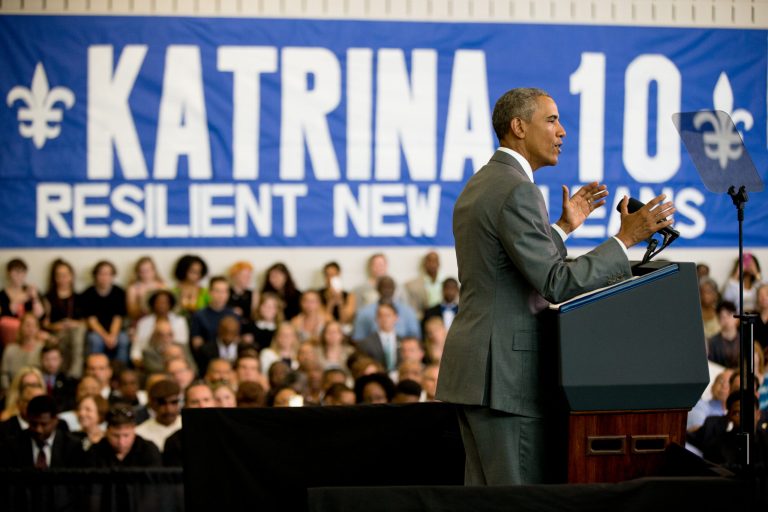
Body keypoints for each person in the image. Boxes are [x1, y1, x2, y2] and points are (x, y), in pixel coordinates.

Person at [435, 87, 675, 485]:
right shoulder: (518, 189)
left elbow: (505, 266)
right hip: (505, 377)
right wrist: (624, 241)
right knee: (518, 502)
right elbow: (555, 282)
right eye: (551, 120)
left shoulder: (483, 183)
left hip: (478, 370)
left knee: (482, 499)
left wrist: (563, 228)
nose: (562, 131)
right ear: (518, 127)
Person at [0, 395, 84, 469]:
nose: (38, 429)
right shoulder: (13, 446)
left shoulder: (72, 446)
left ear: (55, 420)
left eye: (44, 424)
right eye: (34, 424)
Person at [41, 258, 85, 378]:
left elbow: (85, 322)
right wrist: (57, 326)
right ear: (54, 278)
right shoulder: (48, 298)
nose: (63, 279)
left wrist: (73, 323)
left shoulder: (79, 298)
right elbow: (44, 324)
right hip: (56, 333)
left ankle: (75, 373)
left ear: (71, 276)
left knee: (78, 332)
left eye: (65, 275)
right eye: (59, 275)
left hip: (74, 333)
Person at [81, 260, 130, 364]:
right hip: (97, 331)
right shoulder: (88, 294)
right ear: (95, 276)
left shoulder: (119, 293)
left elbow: (118, 317)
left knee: (123, 339)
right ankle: (96, 367)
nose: (104, 277)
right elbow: (91, 320)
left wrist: (112, 335)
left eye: (108, 274)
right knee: (95, 340)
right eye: (101, 274)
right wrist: (105, 336)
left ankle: (119, 368)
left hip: (115, 330)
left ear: (113, 276)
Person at [86, 406, 162, 467]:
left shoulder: (148, 451)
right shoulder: (95, 452)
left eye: (126, 435)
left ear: (134, 430)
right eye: (115, 436)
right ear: (107, 431)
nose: (121, 442)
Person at [351, 276, 421, 342]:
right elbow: (358, 339)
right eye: (383, 288)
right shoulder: (364, 313)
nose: (387, 291)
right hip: (373, 351)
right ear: (377, 289)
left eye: (390, 288)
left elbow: (415, 337)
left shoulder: (408, 312)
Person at [163, 380, 216, 466]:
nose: (202, 406)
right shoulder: (174, 442)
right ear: (186, 406)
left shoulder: (229, 436)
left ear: (215, 403)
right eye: (195, 402)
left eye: (206, 400)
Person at [132, 289, 189, 367]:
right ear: (153, 303)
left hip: (175, 359)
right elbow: (138, 347)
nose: (162, 305)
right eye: (158, 302)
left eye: (165, 302)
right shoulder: (143, 323)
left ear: (170, 304)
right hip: (150, 359)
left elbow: (182, 344)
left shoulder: (179, 321)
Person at [0, 258, 44, 347]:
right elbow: (6, 314)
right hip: (11, 329)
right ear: (9, 273)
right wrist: (18, 300)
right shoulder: (2, 294)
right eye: (16, 272)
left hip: (31, 327)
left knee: (31, 326)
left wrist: (34, 298)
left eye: (22, 272)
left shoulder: (31, 290)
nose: (19, 275)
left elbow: (40, 315)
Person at [1, 313, 46, 389]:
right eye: (27, 325)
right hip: (13, 391)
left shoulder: (43, 348)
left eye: (34, 325)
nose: (30, 329)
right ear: (21, 327)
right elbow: (3, 374)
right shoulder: (10, 349)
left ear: (38, 328)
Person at [135, 379, 182, 452]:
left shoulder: (190, 427)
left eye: (173, 402)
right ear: (152, 404)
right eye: (162, 403)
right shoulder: (140, 434)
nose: (168, 409)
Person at [317, 261, 357, 332]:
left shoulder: (349, 296)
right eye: (327, 275)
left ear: (339, 275)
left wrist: (340, 302)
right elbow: (322, 321)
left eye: (333, 275)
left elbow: (345, 321)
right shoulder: (318, 295)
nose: (329, 278)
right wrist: (330, 303)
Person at [404, 250, 445, 318]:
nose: (432, 264)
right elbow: (412, 310)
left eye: (435, 261)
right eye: (429, 261)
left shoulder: (448, 284)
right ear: (424, 264)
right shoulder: (412, 286)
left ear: (439, 263)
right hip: (423, 320)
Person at [125, 256, 166, 322]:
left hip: (159, 321)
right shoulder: (133, 288)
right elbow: (131, 313)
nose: (145, 274)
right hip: (139, 321)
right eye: (142, 271)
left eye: (148, 270)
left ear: (154, 270)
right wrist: (141, 304)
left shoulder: (161, 285)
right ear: (137, 273)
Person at [39, 343, 77, 412]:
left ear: (61, 360)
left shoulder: (68, 381)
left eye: (54, 359)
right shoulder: (35, 379)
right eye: (46, 359)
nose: (51, 363)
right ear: (41, 360)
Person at [707, 301, 740, 368]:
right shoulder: (713, 342)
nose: (726, 319)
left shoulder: (745, 339)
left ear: (736, 318)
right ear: (718, 320)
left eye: (729, 315)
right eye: (722, 316)